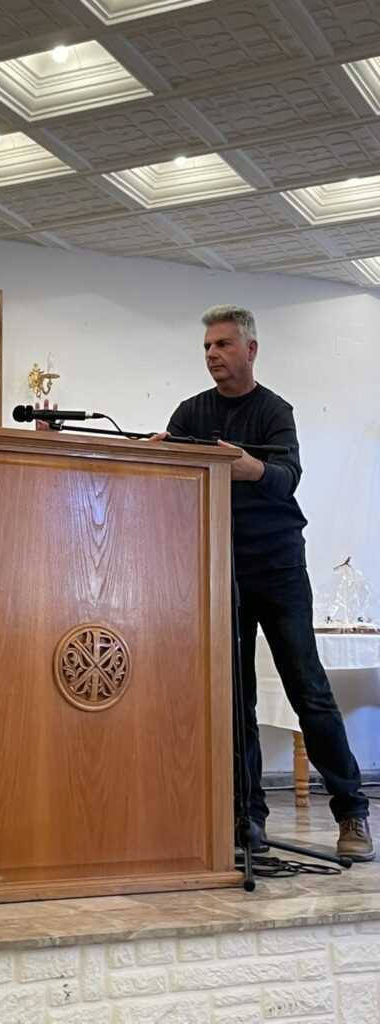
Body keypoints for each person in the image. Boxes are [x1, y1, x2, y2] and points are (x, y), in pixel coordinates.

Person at [161, 304, 372, 861]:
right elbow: (173, 476)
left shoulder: (275, 411)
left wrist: (246, 465)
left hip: (278, 567)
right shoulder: (190, 412)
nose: (213, 354)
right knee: (235, 698)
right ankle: (246, 819)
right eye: (207, 346)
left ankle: (352, 812)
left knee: (309, 690)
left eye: (223, 344)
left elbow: (286, 476)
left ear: (250, 350)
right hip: (216, 566)